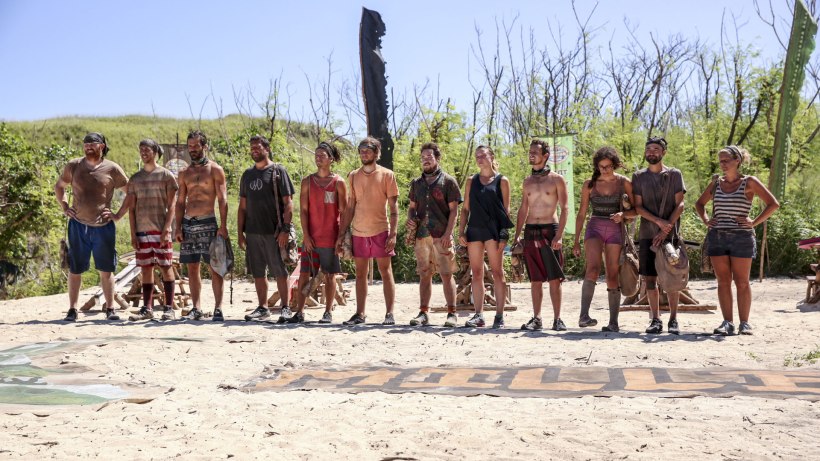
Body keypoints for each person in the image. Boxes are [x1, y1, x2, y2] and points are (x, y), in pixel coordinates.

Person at [695, 145, 779, 336]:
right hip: (717, 236)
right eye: (721, 161)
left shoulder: (749, 182)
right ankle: (727, 323)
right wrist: (706, 220)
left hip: (742, 237)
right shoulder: (716, 183)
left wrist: (754, 222)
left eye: (726, 160)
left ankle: (745, 323)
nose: (723, 164)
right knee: (723, 281)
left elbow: (773, 204)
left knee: (742, 282)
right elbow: (699, 204)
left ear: (737, 161)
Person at [55, 132, 128, 322]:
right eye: (85, 143)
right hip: (78, 225)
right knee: (75, 269)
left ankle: (110, 308)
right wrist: (65, 206)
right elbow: (60, 186)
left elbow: (131, 192)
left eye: (92, 143)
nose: (88, 146)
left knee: (106, 269)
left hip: (103, 227)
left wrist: (118, 215)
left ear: (101, 146)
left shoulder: (112, 168)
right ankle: (73, 309)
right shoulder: (74, 166)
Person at [110, 140, 179, 321]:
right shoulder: (135, 179)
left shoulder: (166, 176)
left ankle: (169, 308)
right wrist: (133, 233)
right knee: (146, 269)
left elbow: (172, 205)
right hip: (142, 231)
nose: (143, 153)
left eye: (147, 150)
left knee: (166, 266)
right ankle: (147, 308)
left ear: (155, 152)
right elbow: (131, 207)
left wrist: (167, 228)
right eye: (141, 150)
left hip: (160, 230)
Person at [336, 137, 399, 325]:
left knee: (385, 271)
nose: (364, 153)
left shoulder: (387, 175)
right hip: (358, 231)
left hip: (381, 230)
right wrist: (341, 234)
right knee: (360, 273)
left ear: (376, 153)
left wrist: (393, 233)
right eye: (361, 150)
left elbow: (394, 208)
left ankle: (389, 314)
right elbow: (350, 206)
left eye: (368, 150)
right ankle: (360, 314)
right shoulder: (354, 176)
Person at [572, 147, 635, 332]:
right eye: (601, 167)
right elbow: (582, 213)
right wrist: (576, 240)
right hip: (595, 227)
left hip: (615, 230)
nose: (605, 170)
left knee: (612, 274)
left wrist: (623, 214)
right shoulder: (589, 184)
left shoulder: (624, 182)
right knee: (592, 269)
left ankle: (613, 322)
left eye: (608, 166)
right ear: (597, 166)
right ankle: (584, 316)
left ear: (614, 165)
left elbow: (637, 210)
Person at [513, 139, 569, 331]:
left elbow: (565, 208)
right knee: (535, 279)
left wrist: (559, 236)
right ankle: (536, 318)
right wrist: (517, 234)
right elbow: (523, 209)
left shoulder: (556, 180)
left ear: (545, 156)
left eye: (535, 152)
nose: (531, 154)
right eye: (530, 151)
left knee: (555, 278)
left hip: (550, 230)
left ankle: (558, 319)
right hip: (531, 231)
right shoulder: (527, 181)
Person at [632, 136, 686, 335]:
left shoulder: (674, 174)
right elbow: (638, 207)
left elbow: (680, 203)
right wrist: (658, 222)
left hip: (671, 236)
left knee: (672, 279)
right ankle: (655, 319)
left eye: (656, 149)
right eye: (649, 149)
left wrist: (666, 227)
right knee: (650, 279)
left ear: (664, 152)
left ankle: (673, 319)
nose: (651, 153)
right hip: (647, 235)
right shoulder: (638, 176)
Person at [238, 136, 296, 322]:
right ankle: (263, 308)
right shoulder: (247, 175)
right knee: (258, 272)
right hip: (252, 231)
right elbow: (242, 207)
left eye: (258, 147)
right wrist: (240, 233)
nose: (254, 150)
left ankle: (285, 308)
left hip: (274, 232)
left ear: (267, 149)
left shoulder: (278, 171)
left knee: (280, 271)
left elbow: (288, 203)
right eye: (252, 148)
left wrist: (285, 229)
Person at [406, 142, 462, 327]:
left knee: (446, 274)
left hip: (442, 235)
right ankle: (423, 313)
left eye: (429, 157)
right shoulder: (416, 183)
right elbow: (412, 208)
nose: (426, 160)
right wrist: (411, 219)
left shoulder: (448, 181)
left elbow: (454, 211)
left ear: (437, 158)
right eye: (423, 157)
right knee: (424, 274)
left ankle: (452, 314)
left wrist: (448, 234)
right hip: (422, 236)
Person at [290, 141, 347, 324]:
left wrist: (341, 237)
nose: (318, 158)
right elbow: (303, 210)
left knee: (330, 275)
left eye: (322, 155)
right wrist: (306, 236)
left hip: (330, 238)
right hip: (311, 238)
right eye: (316, 155)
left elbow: (344, 212)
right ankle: (299, 312)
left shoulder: (338, 182)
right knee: (304, 274)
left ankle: (328, 312)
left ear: (331, 159)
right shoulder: (307, 181)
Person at [175, 131, 228, 321]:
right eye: (190, 146)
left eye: (196, 146)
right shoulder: (184, 172)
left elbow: (222, 199)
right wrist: (178, 226)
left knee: (215, 266)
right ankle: (196, 307)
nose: (193, 149)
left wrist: (223, 225)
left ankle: (218, 308)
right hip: (189, 223)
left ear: (204, 146)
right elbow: (180, 201)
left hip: (208, 221)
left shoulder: (215, 170)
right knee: (192, 267)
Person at [457, 145, 513, 328]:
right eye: (477, 156)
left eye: (483, 155)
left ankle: (499, 316)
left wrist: (504, 234)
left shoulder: (502, 181)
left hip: (493, 231)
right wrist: (461, 231)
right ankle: (479, 315)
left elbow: (506, 211)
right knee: (477, 272)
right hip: (474, 230)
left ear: (491, 157)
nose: (479, 159)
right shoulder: (471, 181)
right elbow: (465, 209)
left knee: (497, 272)